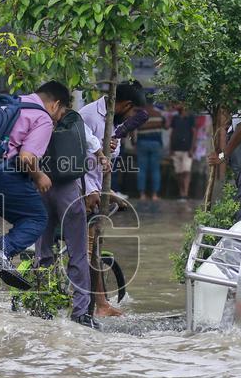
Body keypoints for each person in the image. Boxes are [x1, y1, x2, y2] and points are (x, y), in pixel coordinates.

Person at [0, 81, 68, 297]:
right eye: (61, 112)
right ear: (55, 104)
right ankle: (2, 250)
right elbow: (26, 158)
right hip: (4, 175)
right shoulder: (42, 117)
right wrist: (39, 175)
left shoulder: (9, 104)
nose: (59, 117)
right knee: (36, 218)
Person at [35, 104, 108, 330]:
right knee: (78, 252)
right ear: (61, 105)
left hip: (41, 188)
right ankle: (80, 313)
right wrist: (102, 158)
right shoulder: (75, 121)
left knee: (43, 251)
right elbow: (93, 144)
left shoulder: (34, 118)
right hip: (68, 190)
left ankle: (42, 307)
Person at [79, 82, 148, 317]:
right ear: (126, 105)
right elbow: (76, 159)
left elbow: (106, 162)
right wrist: (90, 190)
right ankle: (98, 305)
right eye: (133, 113)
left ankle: (99, 302)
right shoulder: (87, 116)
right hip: (83, 191)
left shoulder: (115, 124)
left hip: (98, 190)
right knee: (89, 249)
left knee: (94, 247)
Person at [135, 100, 167, 201]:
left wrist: (133, 142)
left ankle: (142, 194)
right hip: (156, 143)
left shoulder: (139, 115)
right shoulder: (159, 114)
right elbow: (165, 126)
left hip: (142, 143)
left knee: (142, 169)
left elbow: (132, 128)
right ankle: (154, 195)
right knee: (155, 170)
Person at [168, 103, 197, 200]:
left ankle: (185, 193)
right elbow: (171, 133)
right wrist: (171, 149)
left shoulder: (190, 118)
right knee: (179, 173)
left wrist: (192, 149)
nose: (175, 105)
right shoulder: (175, 118)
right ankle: (181, 192)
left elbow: (194, 134)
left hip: (187, 149)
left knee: (186, 171)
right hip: (176, 148)